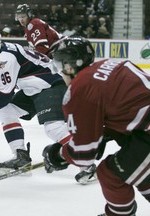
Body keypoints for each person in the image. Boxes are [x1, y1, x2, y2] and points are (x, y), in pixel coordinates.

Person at [42, 36, 150, 216]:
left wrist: (58, 154)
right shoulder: (112, 64)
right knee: (135, 168)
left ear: (69, 66)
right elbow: (130, 107)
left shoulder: (80, 89)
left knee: (110, 174)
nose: (60, 72)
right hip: (144, 131)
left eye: (60, 66)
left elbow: (83, 156)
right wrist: (103, 134)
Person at [0, 26, 68, 175]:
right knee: (7, 110)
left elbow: (3, 94)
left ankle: (86, 162)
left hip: (51, 86)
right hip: (35, 88)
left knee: (53, 128)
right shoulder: (2, 51)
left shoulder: (3, 59)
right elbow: (6, 87)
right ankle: (21, 156)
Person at [16, 3, 97, 184]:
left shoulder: (33, 25)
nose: (21, 19)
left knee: (54, 125)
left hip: (59, 66)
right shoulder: (32, 26)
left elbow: (42, 51)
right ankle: (75, 154)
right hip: (60, 66)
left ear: (29, 14)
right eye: (18, 17)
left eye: (23, 15)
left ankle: (85, 163)